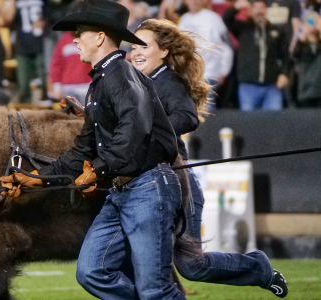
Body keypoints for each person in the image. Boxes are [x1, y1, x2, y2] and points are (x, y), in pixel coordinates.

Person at [1, 0, 186, 298]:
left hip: (148, 188)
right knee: (92, 272)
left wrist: (97, 169)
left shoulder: (123, 76)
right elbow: (82, 148)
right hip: (120, 191)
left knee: (155, 289)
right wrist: (37, 178)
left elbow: (132, 133)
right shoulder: (100, 82)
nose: (74, 40)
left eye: (80, 33)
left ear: (100, 36)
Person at [130, 18, 288, 298]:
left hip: (178, 183)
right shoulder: (137, 84)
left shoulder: (168, 81)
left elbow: (187, 117)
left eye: (144, 45)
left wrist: (146, 133)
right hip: (145, 183)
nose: (136, 52)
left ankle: (259, 268)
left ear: (164, 51)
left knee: (192, 265)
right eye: (132, 47)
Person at [223, 0, 289, 111]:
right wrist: (237, 6)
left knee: (274, 122)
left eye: (262, 7)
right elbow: (226, 18)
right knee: (249, 123)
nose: (259, 11)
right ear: (250, 11)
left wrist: (284, 74)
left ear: (267, 10)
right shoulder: (243, 28)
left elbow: (285, 56)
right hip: (248, 85)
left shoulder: (276, 31)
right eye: (256, 7)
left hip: (272, 85)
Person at [178, 0, 233, 108]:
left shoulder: (213, 19)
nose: (194, 2)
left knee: (205, 110)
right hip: (188, 75)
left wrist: (223, 71)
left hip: (208, 73)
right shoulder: (184, 19)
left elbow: (226, 46)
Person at [0, 0, 47, 103]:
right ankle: (26, 112)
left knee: (45, 82)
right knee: (24, 85)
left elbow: (52, 13)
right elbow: (7, 19)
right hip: (22, 46)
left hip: (42, 44)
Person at [48, 31, 93, 103]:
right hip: (66, 89)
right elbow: (56, 64)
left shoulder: (90, 37)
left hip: (86, 89)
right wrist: (57, 86)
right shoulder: (64, 39)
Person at [293, 13, 321, 107]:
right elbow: (293, 56)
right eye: (310, 22)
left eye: (315, 22)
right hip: (306, 91)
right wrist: (303, 34)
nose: (312, 26)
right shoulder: (301, 45)